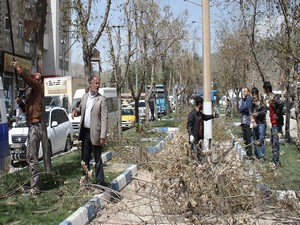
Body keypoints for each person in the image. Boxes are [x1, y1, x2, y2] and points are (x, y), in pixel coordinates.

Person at [13, 61, 44, 194]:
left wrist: (18, 69)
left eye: (37, 75)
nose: (35, 75)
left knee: (32, 157)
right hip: (32, 125)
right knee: (30, 156)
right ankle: (37, 184)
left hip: (35, 126)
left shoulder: (37, 87)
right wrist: (21, 104)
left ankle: (35, 187)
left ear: (40, 81)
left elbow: (28, 79)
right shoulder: (33, 94)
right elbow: (27, 110)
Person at [71, 75, 108, 185]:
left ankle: (100, 182)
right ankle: (85, 181)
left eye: (98, 84)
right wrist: (75, 111)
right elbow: (81, 109)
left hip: (96, 134)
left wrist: (102, 136)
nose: (97, 86)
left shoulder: (101, 100)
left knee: (97, 160)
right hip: (85, 133)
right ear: (90, 84)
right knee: (85, 159)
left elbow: (104, 119)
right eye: (96, 83)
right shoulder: (85, 97)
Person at [187, 95, 218, 160]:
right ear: (199, 104)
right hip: (194, 140)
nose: (203, 106)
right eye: (202, 104)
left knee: (199, 155)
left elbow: (205, 117)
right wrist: (190, 135)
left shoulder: (199, 114)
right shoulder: (192, 115)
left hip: (199, 139)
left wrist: (213, 116)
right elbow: (189, 126)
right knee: (195, 156)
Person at [263, 81, 282, 167]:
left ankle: (276, 162)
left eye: (264, 90)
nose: (264, 91)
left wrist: (277, 114)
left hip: (276, 124)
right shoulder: (270, 97)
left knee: (275, 143)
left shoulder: (273, 96)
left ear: (267, 89)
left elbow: (281, 104)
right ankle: (274, 160)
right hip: (273, 124)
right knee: (272, 142)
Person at [251, 87, 267, 162]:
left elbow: (264, 112)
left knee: (261, 139)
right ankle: (257, 155)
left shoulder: (261, 102)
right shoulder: (252, 103)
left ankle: (261, 156)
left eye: (255, 94)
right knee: (255, 140)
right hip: (255, 123)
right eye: (253, 94)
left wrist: (258, 114)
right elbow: (250, 111)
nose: (254, 96)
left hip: (261, 123)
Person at [239, 87, 253, 160]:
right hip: (243, 122)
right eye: (242, 91)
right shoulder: (243, 100)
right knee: (245, 139)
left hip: (248, 122)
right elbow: (240, 109)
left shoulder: (249, 99)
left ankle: (250, 154)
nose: (243, 92)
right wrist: (244, 108)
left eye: (245, 91)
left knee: (248, 138)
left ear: (248, 92)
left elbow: (248, 107)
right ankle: (247, 152)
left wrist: (244, 108)